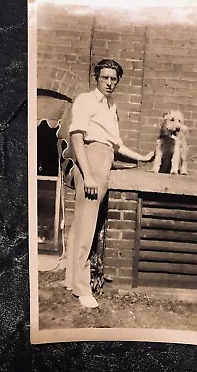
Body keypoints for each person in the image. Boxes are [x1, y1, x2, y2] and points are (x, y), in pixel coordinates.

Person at [64, 59, 154, 308]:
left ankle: (71, 282)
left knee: (82, 224)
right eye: (105, 77)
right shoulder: (85, 100)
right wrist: (88, 174)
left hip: (105, 160)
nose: (109, 82)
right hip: (90, 161)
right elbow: (77, 137)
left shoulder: (111, 106)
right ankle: (83, 290)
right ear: (97, 77)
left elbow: (116, 144)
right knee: (87, 226)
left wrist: (142, 157)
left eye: (114, 79)